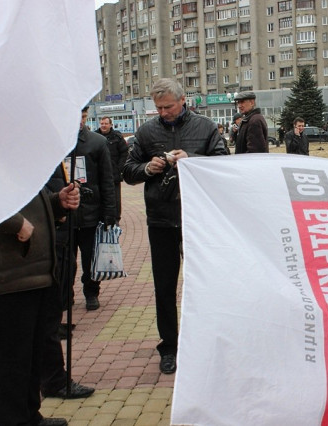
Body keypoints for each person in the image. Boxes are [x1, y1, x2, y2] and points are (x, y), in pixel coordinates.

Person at [122, 78, 228, 374]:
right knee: (164, 286)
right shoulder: (146, 131)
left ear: (183, 100)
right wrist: (147, 168)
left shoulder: (206, 127)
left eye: (168, 106)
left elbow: (223, 163)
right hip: (161, 219)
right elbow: (128, 171)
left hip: (198, 220)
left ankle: (207, 343)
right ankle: (169, 346)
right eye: (158, 108)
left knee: (205, 285)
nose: (163, 112)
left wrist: (191, 159)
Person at [0, 184, 80, 426]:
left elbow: (30, 203)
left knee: (31, 353)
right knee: (11, 358)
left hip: (36, 271)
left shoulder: (18, 165)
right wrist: (15, 223)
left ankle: (30, 416)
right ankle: (13, 421)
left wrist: (56, 202)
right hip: (9, 274)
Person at [40, 164, 96, 400]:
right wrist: (18, 224)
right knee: (27, 331)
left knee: (47, 321)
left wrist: (57, 202)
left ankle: (53, 382)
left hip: (49, 241)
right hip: (17, 263)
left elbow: (40, 198)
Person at [73, 107, 117, 311]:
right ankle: (64, 295)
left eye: (83, 117)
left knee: (91, 257)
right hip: (63, 215)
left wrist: (110, 213)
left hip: (91, 212)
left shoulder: (97, 142)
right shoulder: (54, 144)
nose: (80, 121)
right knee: (63, 261)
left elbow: (107, 180)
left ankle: (91, 292)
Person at [96, 116, 128, 224]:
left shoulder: (117, 137)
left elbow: (124, 153)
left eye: (106, 123)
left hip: (114, 173)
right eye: (102, 123)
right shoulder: (95, 136)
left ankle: (116, 218)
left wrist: (119, 168)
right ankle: (102, 218)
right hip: (99, 173)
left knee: (115, 198)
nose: (103, 126)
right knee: (100, 196)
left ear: (110, 125)